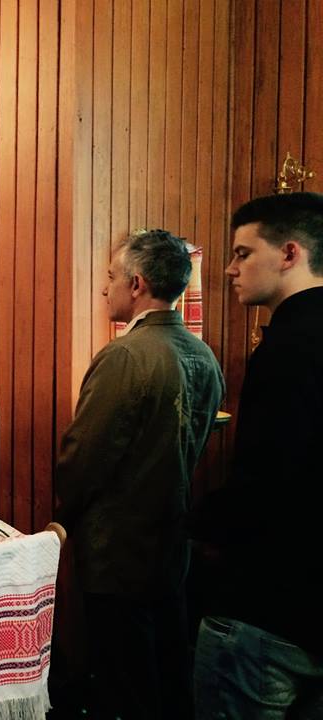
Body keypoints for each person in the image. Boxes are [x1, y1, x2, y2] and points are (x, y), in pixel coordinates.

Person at [54, 229, 224, 720]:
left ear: (138, 282)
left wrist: (65, 513)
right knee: (167, 671)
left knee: (122, 681)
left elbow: (83, 456)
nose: (104, 289)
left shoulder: (126, 355)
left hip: (117, 550)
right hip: (171, 545)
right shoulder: (203, 355)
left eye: (110, 277)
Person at [192, 193, 323, 718]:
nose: (229, 268)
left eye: (244, 253)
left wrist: (199, 523)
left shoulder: (289, 348)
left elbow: (269, 480)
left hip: (267, 606)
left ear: (289, 254)